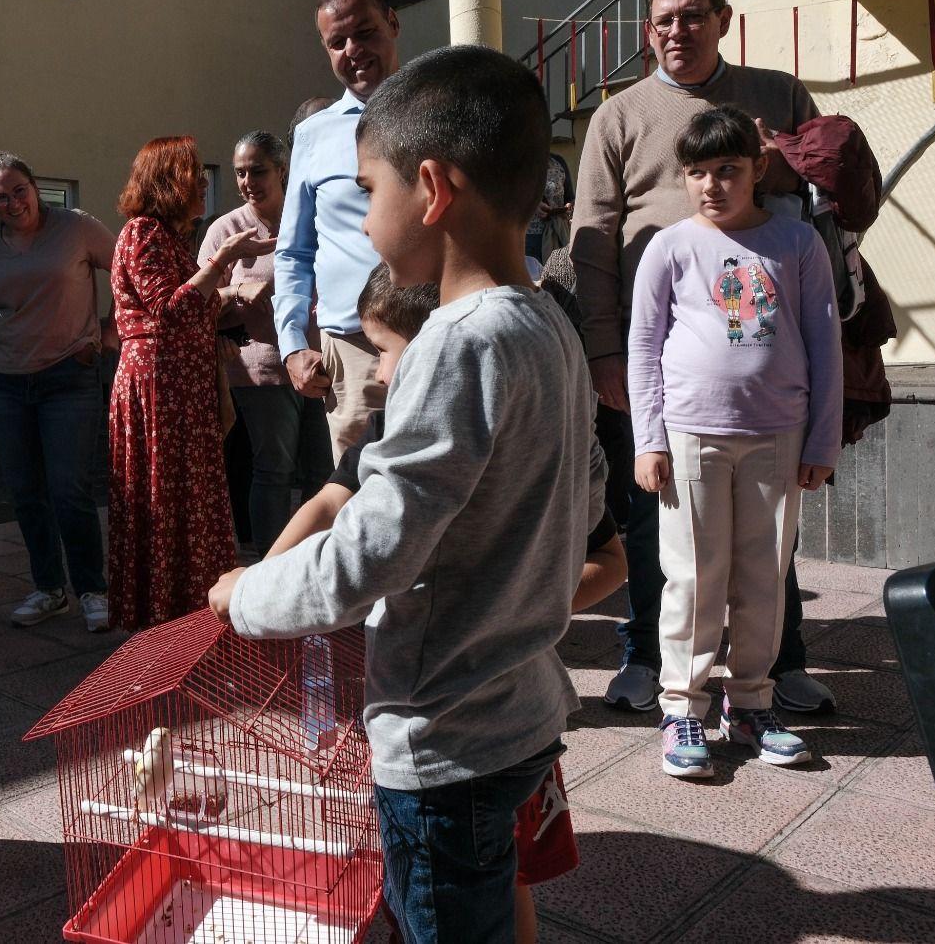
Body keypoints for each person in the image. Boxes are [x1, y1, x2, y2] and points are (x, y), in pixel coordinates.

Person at [210, 46, 605, 943]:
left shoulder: (456, 342)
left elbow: (371, 553)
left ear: (429, 189)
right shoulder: (548, 321)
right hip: (523, 711)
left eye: (365, 187)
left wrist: (248, 596)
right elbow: (579, 502)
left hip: (445, 744)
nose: (360, 209)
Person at [269, 263, 625, 944]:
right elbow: (327, 503)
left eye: (386, 351)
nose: (375, 373)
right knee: (471, 879)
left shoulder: (512, 446)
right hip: (469, 711)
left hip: (479, 718)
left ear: (439, 347)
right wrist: (259, 575)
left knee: (495, 873)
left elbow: (611, 562)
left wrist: (511, 604)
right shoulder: (390, 433)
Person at [569, 0, 835, 716]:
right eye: (662, 21)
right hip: (659, 354)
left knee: (766, 526)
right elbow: (593, 239)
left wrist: (778, 163)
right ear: (647, 33)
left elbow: (831, 188)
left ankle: (779, 664)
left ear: (722, 18)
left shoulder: (776, 94)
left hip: (766, 346)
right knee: (655, 513)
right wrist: (605, 352)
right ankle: (650, 657)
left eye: (691, 15)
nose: (676, 31)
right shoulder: (617, 117)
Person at [629, 106, 842, 778]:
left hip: (777, 436)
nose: (712, 185)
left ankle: (750, 702)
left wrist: (822, 442)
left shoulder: (796, 243)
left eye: (726, 169)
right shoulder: (668, 247)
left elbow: (824, 343)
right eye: (697, 173)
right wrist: (648, 438)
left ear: (756, 168)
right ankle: (683, 708)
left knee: (762, 577)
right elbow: (643, 345)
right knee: (694, 577)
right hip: (692, 436)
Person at [108, 136, 272, 631]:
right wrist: (223, 258)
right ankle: (164, 620)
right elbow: (170, 309)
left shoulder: (168, 238)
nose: (204, 184)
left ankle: (190, 615)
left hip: (185, 386)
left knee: (190, 500)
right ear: (167, 184)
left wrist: (227, 293)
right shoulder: (142, 233)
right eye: (194, 176)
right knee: (167, 501)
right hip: (159, 388)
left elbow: (188, 306)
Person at [0, 152, 116, 632]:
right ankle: (49, 589)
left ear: (34, 186)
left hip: (67, 376)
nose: (14, 202)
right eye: (1, 197)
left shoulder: (74, 227)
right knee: (24, 492)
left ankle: (92, 589)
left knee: (69, 489)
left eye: (19, 190)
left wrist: (112, 330)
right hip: (4, 380)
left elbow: (127, 268)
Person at [274, 0, 402, 459]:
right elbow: (294, 250)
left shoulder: (440, 112)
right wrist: (291, 343)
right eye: (337, 42)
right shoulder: (314, 136)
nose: (354, 50)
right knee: (361, 502)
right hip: (354, 356)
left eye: (365, 32)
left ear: (393, 23)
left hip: (441, 341)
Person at [198, 131, 332, 556]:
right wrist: (236, 294)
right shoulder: (226, 229)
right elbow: (198, 302)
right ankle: (270, 564)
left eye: (257, 170)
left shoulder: (311, 216)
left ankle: (317, 560)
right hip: (260, 371)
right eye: (239, 172)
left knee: (324, 471)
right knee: (273, 469)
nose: (247, 181)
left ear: (282, 171)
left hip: (321, 361)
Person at [524, 154, 573, 264]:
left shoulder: (558, 161)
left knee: (558, 275)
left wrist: (569, 205)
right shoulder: (518, 163)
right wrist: (533, 205)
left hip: (558, 234)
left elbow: (569, 196)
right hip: (529, 238)